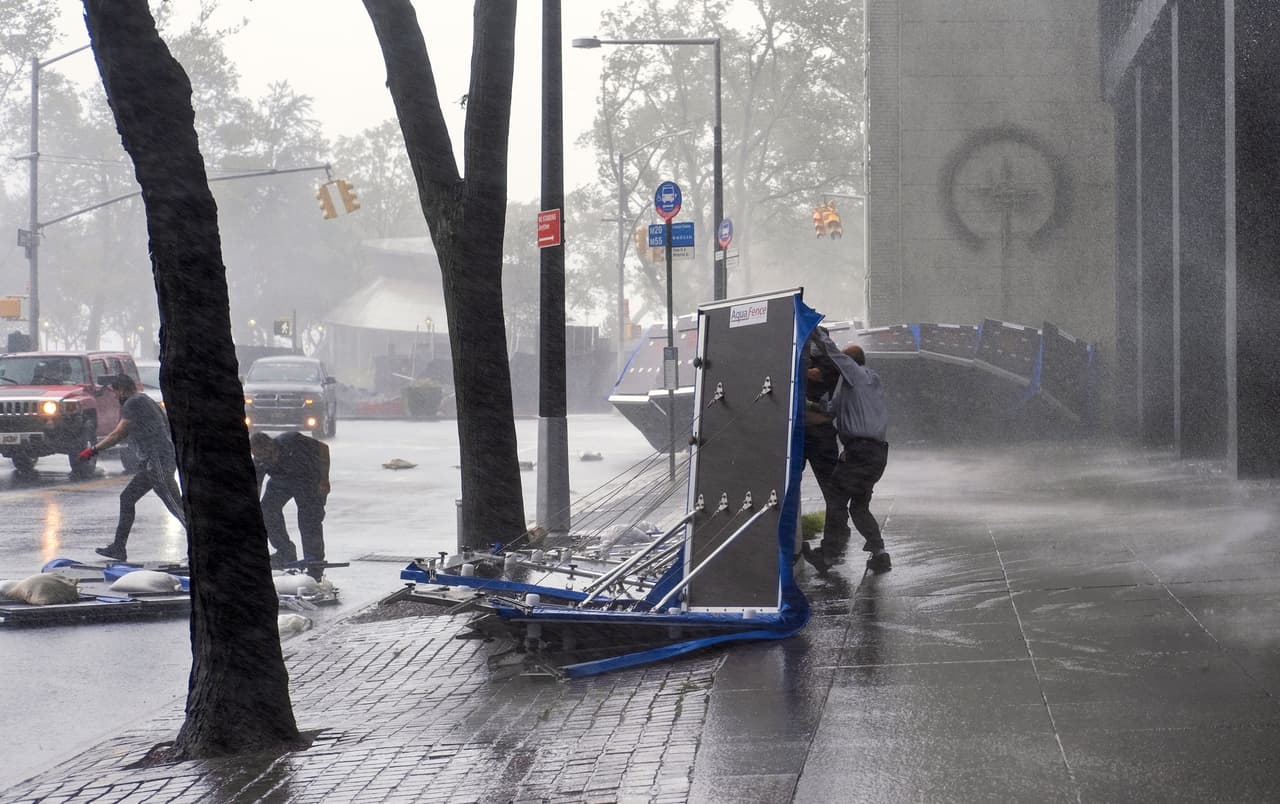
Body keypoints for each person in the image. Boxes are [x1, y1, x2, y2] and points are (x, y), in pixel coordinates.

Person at [805, 328, 892, 574]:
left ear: (851, 363)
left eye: (845, 360)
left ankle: (828, 556)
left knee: (835, 497)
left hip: (860, 452)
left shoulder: (860, 375)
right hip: (876, 455)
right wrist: (809, 404)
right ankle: (879, 553)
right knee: (858, 506)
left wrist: (815, 334)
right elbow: (829, 410)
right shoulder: (858, 387)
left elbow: (834, 355)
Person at [82, 374, 186, 562]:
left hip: (158, 462)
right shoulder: (144, 399)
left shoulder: (133, 403)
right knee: (127, 498)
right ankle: (118, 548)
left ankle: (203, 546)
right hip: (152, 462)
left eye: (114, 392)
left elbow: (118, 433)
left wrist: (94, 449)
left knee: (176, 505)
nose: (114, 396)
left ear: (121, 389)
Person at [250, 431, 330, 580]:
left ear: (271, 447)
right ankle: (285, 552)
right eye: (257, 456)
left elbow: (324, 449)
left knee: (309, 519)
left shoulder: (292, 441)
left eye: (265, 456)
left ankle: (314, 560)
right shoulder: (259, 461)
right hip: (281, 483)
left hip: (308, 480)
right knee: (267, 510)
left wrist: (324, 480)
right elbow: (257, 485)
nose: (262, 460)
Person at [801, 333, 850, 555]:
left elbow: (816, 375)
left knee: (831, 487)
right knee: (790, 483)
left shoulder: (827, 364)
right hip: (803, 431)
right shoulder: (808, 360)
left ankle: (837, 533)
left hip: (820, 433)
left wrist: (792, 367)